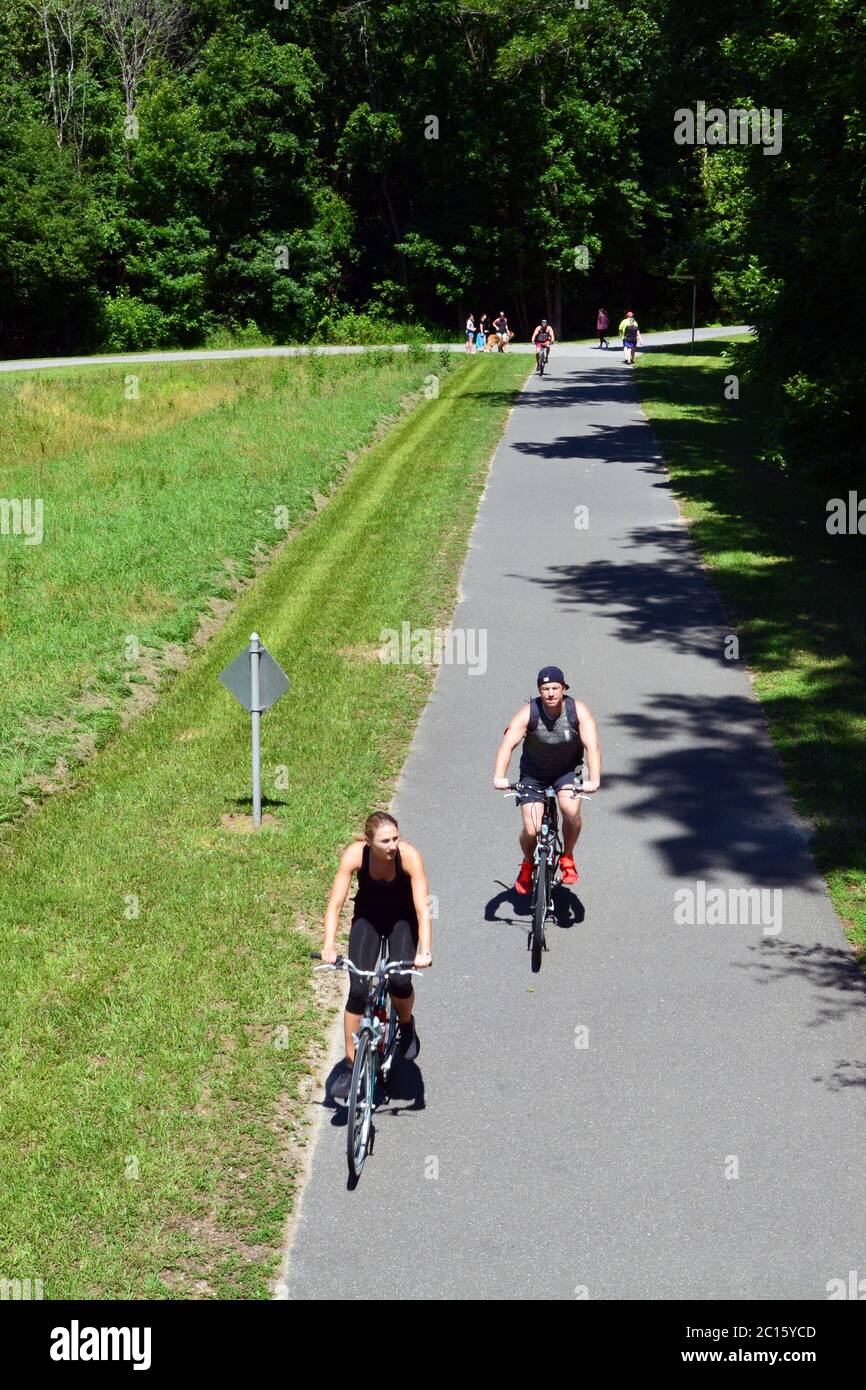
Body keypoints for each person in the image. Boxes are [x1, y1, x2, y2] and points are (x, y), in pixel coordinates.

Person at [321, 811, 432, 1099]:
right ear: (369, 842)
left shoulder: (408, 857)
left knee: (399, 981)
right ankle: (350, 1063)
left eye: (396, 837)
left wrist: (425, 950)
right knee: (357, 989)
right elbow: (335, 905)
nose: (393, 845)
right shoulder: (355, 856)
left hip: (402, 921)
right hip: (368, 918)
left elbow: (422, 909)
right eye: (385, 841)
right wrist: (329, 945)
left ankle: (406, 1025)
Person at [493, 666, 601, 893]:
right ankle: (528, 863)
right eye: (545, 689)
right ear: (539, 691)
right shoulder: (528, 713)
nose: (550, 693)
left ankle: (567, 857)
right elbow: (507, 745)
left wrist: (594, 778)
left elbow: (592, 747)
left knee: (570, 812)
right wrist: (500, 776)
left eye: (555, 688)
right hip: (534, 775)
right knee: (531, 829)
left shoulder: (577, 711)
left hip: (567, 772)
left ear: (563, 689)